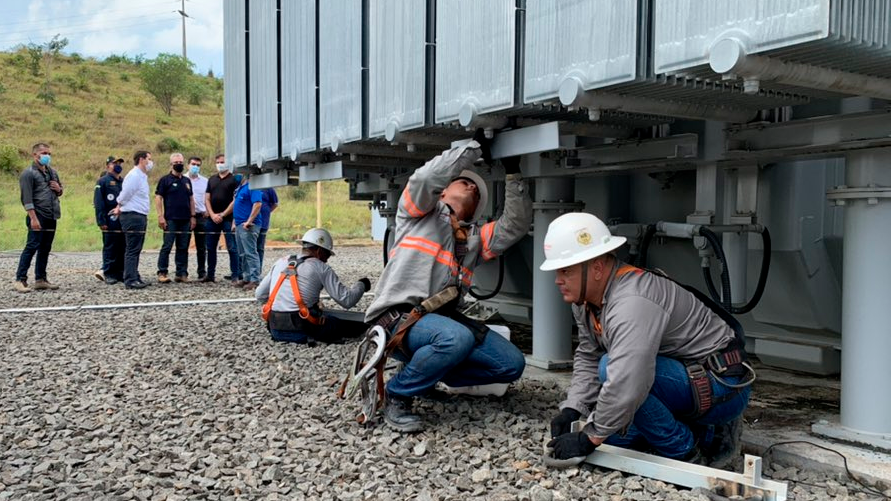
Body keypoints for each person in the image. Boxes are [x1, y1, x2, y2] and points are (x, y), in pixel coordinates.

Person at [542, 212, 753, 469]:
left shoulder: (632, 301)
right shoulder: (586, 300)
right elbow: (589, 352)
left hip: (723, 387)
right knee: (616, 438)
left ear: (596, 268)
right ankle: (707, 434)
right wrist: (573, 408)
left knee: (612, 372)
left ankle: (686, 451)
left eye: (565, 271)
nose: (557, 280)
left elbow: (628, 379)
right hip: (688, 376)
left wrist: (590, 436)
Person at [363, 133, 533, 433]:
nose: (471, 186)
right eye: (462, 181)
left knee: (511, 364)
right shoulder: (417, 214)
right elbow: (426, 178)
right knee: (456, 338)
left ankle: (424, 376)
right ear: (442, 193)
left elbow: (515, 225)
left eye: (478, 191)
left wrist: (513, 172)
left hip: (439, 325)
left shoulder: (475, 239)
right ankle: (397, 393)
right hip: (396, 319)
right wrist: (472, 149)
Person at [256, 228, 370, 345]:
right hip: (303, 331)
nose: (326, 260)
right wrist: (361, 285)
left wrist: (283, 304)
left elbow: (260, 295)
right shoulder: (320, 267)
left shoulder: (280, 262)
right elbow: (347, 300)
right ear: (319, 251)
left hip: (275, 330)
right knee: (348, 325)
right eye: (327, 255)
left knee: (317, 312)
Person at [15, 142, 63, 293]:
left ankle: (40, 279)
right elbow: (26, 198)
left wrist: (59, 189)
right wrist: (33, 218)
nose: (47, 156)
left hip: (51, 214)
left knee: (45, 248)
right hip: (38, 214)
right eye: (43, 153)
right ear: (35, 155)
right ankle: (20, 279)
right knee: (32, 246)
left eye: (49, 153)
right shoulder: (28, 174)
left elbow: (60, 190)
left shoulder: (52, 172)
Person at [113, 150, 153, 289]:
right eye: (149, 159)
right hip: (132, 215)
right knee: (132, 248)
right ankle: (130, 279)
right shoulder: (134, 175)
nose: (150, 162)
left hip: (140, 215)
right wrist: (119, 205)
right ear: (141, 159)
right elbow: (125, 194)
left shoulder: (142, 176)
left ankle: (135, 275)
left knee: (136, 248)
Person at [155, 153, 196, 283]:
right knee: (167, 246)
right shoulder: (165, 180)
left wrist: (193, 216)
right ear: (171, 164)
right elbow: (158, 198)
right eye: (176, 162)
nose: (179, 164)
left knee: (183, 247)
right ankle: (162, 272)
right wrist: (160, 216)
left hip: (185, 219)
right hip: (170, 219)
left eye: (180, 162)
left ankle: (181, 273)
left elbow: (191, 199)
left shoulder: (186, 180)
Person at [203, 154, 240, 283]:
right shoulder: (212, 179)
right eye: (218, 162)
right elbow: (207, 198)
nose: (220, 164)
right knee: (210, 248)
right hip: (212, 219)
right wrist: (212, 214)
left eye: (222, 162)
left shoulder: (235, 179)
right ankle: (210, 275)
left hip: (228, 218)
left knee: (232, 247)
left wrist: (223, 214)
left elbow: (236, 200)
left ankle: (235, 274)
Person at [93, 156, 126, 285]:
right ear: (108, 166)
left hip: (123, 219)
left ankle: (120, 272)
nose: (117, 165)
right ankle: (109, 273)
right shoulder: (102, 181)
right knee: (110, 246)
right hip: (109, 219)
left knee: (122, 246)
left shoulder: (124, 181)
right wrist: (101, 221)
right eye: (114, 163)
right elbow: (99, 203)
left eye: (119, 163)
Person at [232, 174, 264, 290]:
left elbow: (258, 204)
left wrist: (249, 221)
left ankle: (255, 279)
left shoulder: (253, 186)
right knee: (242, 253)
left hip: (248, 225)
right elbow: (237, 205)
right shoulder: (241, 188)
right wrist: (235, 222)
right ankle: (247, 277)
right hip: (240, 224)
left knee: (250, 253)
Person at [187, 156, 208, 280]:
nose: (195, 167)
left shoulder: (205, 181)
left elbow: (208, 198)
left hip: (202, 216)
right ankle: (182, 272)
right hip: (186, 217)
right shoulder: (183, 179)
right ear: (188, 165)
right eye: (193, 164)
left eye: (198, 165)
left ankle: (202, 271)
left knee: (202, 246)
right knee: (183, 245)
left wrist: (208, 211)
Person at [257, 187, 278, 269]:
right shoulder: (250, 186)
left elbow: (275, 203)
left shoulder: (269, 189)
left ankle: (258, 270)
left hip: (263, 222)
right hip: (250, 222)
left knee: (260, 247)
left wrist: (267, 211)